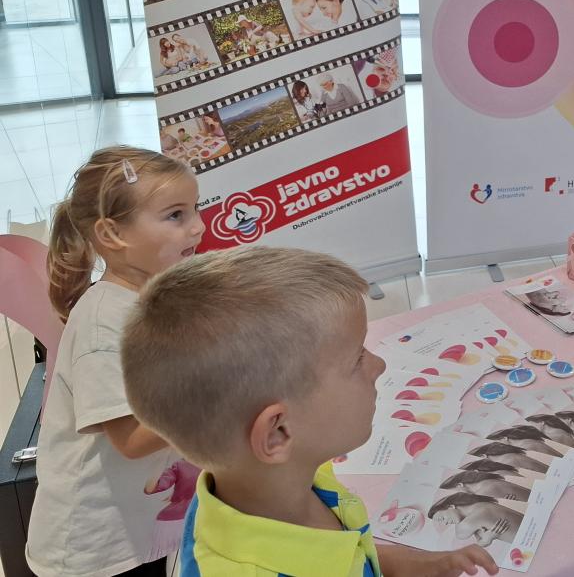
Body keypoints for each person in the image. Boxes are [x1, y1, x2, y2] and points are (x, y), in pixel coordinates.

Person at [120, 246, 499, 577]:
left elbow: (346, 555)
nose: (379, 365)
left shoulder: (293, 478)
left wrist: (414, 564)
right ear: (278, 433)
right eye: (357, 359)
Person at [25, 146, 206, 577]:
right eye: (176, 215)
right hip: (92, 549)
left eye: (195, 208)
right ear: (112, 234)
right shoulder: (104, 322)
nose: (198, 226)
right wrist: (221, 395)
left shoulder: (153, 298)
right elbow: (131, 439)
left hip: (139, 521)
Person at [427, 494, 521, 549]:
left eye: (442, 518)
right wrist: (484, 540)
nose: (446, 523)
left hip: (524, 542)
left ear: (451, 506)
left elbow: (460, 535)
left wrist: (484, 540)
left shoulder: (466, 524)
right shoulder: (480, 503)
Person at [439, 470, 531, 504]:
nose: (455, 498)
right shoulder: (485, 481)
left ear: (459, 485)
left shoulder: (484, 491)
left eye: (453, 492)